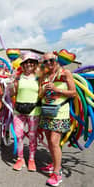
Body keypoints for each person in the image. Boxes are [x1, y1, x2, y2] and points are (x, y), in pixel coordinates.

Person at [39, 52, 76, 186]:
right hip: (47, 111)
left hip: (60, 112)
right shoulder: (47, 76)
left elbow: (73, 93)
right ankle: (53, 163)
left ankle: (57, 172)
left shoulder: (65, 73)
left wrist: (56, 89)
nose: (48, 63)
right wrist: (44, 91)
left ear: (56, 59)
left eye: (51, 60)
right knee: (49, 140)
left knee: (54, 141)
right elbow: (41, 94)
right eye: (45, 62)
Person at [11, 52, 40, 171]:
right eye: (26, 62)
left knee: (32, 137)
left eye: (31, 62)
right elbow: (13, 93)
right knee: (19, 136)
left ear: (35, 64)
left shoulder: (39, 77)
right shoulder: (18, 77)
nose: (28, 64)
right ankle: (20, 158)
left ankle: (31, 160)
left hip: (34, 110)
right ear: (22, 64)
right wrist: (10, 84)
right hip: (18, 110)